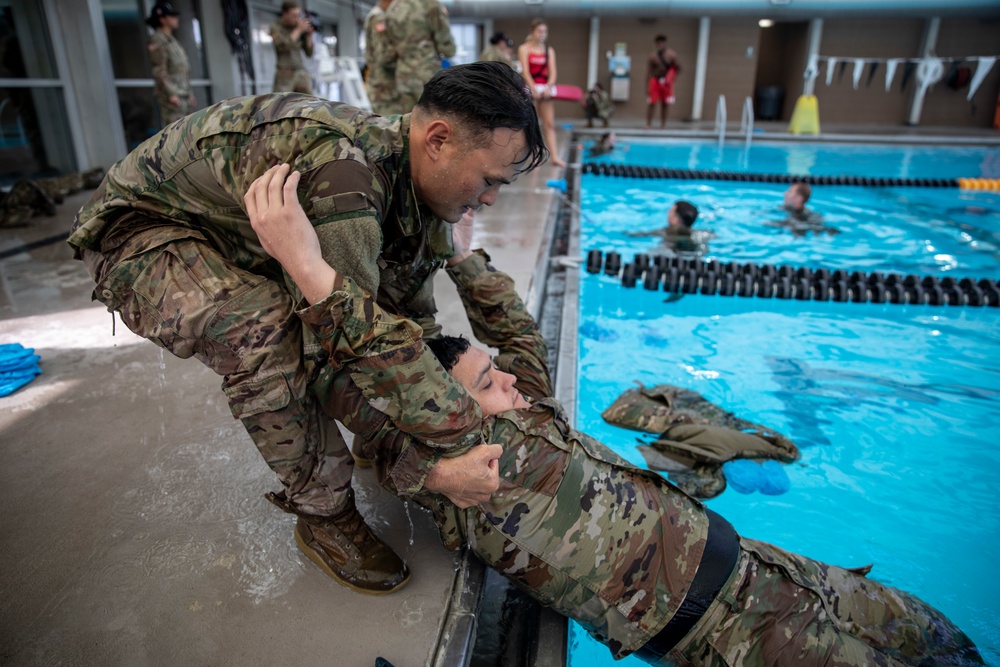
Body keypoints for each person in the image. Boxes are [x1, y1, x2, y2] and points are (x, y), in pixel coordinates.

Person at [252, 198, 983, 666]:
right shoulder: (478, 465)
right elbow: (391, 368)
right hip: (736, 636)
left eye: (497, 375)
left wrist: (456, 252)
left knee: (943, 636)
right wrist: (308, 266)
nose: (508, 381)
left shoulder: (529, 416)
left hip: (772, 568)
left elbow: (515, 332)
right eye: (487, 384)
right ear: (447, 414)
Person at [66, 62, 547, 597]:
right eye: (488, 181)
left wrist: (409, 422)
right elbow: (330, 361)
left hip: (237, 227)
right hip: (142, 232)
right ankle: (325, 517)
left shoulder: (420, 189)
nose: (488, 200)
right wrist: (423, 467)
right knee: (263, 327)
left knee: (372, 323)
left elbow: (410, 326)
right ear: (438, 139)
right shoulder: (345, 185)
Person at [384, 0, 456, 112]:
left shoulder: (393, 8)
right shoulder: (430, 5)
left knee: (408, 119)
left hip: (403, 75)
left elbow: (389, 48)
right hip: (426, 74)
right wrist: (450, 50)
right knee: (430, 116)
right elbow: (446, 45)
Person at [518, 18, 565, 168]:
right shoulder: (524, 49)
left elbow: (553, 72)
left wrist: (547, 87)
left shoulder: (549, 51)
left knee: (549, 124)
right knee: (530, 124)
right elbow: (525, 71)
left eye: (544, 31)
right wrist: (532, 88)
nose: (542, 34)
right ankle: (534, 156)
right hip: (530, 89)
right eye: (539, 31)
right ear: (532, 32)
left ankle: (555, 157)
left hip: (545, 90)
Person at [146, 1, 196, 128]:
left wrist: (189, 93)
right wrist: (171, 94)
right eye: (172, 16)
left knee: (189, 131)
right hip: (174, 98)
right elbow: (159, 70)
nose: (176, 19)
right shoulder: (158, 40)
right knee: (177, 134)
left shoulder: (172, 41)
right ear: (162, 19)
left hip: (183, 94)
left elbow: (182, 70)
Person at [628, 200, 710, 254]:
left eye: (670, 212)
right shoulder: (702, 233)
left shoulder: (666, 231)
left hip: (670, 251)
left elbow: (643, 234)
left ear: (675, 219)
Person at [362, 0, 400, 115]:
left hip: (382, 84)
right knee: (388, 126)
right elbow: (383, 55)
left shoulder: (378, 15)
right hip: (384, 87)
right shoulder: (379, 17)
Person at [270, 1, 314, 94]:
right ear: (285, 14)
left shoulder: (299, 28)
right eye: (293, 15)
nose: (297, 18)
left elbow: (309, 53)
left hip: (300, 71)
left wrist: (309, 36)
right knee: (280, 103)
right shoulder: (276, 27)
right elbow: (283, 46)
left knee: (310, 103)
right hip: (284, 74)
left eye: (298, 15)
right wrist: (298, 30)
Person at [771, 182, 840, 236]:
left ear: (799, 198)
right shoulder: (784, 208)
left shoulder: (811, 216)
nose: (785, 193)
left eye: (790, 191)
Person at [646, 34, 680, 129]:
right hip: (655, 80)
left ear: (665, 43)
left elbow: (678, 67)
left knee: (665, 104)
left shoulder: (672, 55)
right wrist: (647, 86)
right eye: (658, 43)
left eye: (662, 43)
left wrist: (671, 76)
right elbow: (649, 72)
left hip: (666, 82)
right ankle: (649, 124)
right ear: (656, 44)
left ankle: (663, 125)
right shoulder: (652, 56)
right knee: (652, 103)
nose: (661, 45)